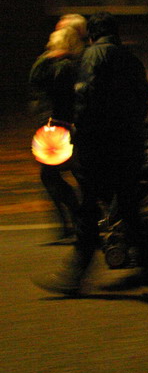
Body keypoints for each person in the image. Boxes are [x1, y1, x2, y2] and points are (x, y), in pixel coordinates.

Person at [33, 12, 148, 295]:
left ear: (91, 35)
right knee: (128, 207)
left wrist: (80, 131)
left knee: (88, 209)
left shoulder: (91, 56)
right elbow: (143, 99)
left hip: (100, 146)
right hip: (130, 143)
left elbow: (86, 96)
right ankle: (147, 271)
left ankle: (75, 276)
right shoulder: (131, 59)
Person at [29, 26, 84, 242]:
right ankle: (74, 221)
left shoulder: (63, 66)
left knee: (50, 175)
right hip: (60, 126)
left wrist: (47, 58)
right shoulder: (69, 64)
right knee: (63, 173)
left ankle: (77, 219)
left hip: (59, 128)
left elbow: (36, 79)